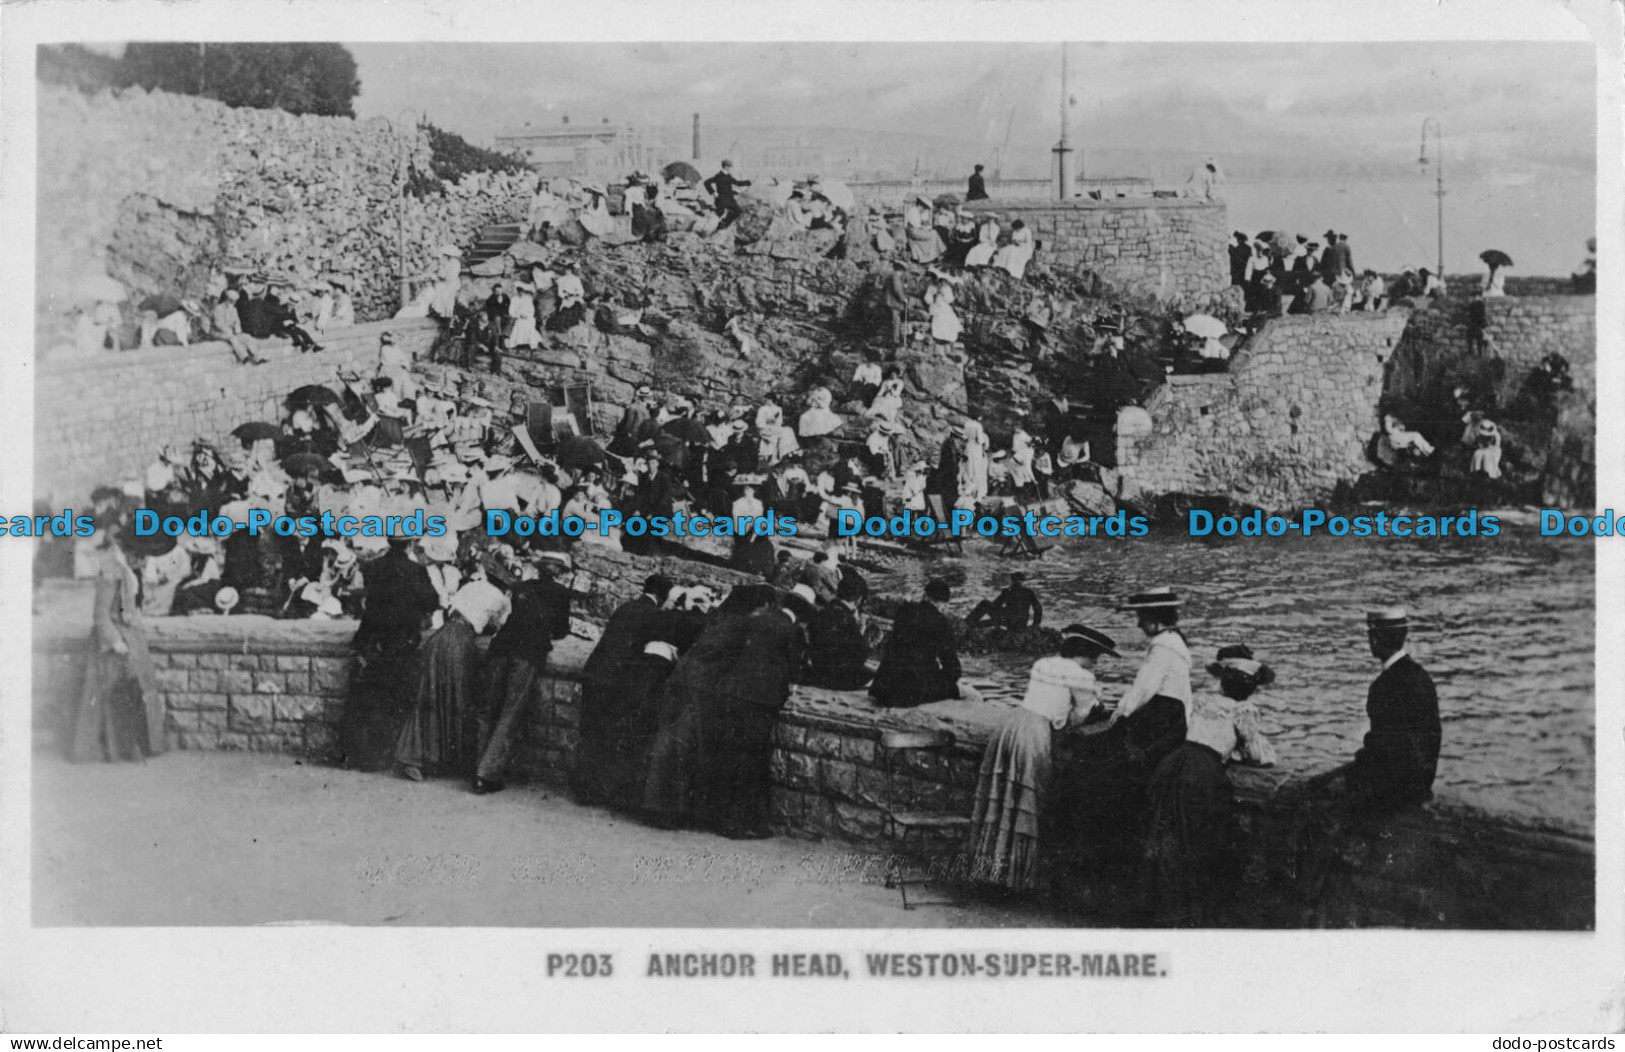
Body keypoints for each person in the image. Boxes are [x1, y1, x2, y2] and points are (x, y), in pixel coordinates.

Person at [968, 625, 1119, 891]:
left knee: (1003, 798)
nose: (1095, 663)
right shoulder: (1081, 675)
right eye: (1094, 656)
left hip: (1012, 725)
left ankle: (991, 868)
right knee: (1030, 798)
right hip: (1034, 733)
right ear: (1084, 653)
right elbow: (1081, 716)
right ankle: (1017, 876)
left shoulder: (1044, 664)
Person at [1142, 644, 1277, 927]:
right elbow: (1257, 754)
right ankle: (1193, 908)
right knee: (1199, 839)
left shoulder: (1203, 700)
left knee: (1167, 832)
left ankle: (1163, 904)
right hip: (1203, 772)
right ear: (1250, 689)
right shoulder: (1244, 710)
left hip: (1175, 762)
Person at [695, 584, 814, 838]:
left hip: (732, 693)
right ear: (803, 613)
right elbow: (795, 668)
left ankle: (718, 817)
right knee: (750, 761)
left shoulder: (756, 621)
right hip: (760, 701)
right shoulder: (792, 631)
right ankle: (738, 823)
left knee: (728, 755)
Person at [471, 551, 573, 794]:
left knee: (488, 709)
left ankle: (477, 767)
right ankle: (485, 773)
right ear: (558, 572)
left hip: (501, 647)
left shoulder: (521, 587)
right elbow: (560, 630)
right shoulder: (561, 593)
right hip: (528, 652)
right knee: (510, 712)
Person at [394, 575, 510, 782]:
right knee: (457, 697)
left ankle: (414, 758)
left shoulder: (470, 586)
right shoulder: (499, 598)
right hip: (460, 641)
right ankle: (447, 759)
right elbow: (497, 626)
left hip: (439, 637)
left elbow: (450, 609)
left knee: (428, 696)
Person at [67, 516, 162, 762]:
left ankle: (137, 745)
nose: (143, 560)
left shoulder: (128, 569)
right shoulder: (111, 570)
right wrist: (115, 641)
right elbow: (100, 614)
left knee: (137, 691)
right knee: (112, 694)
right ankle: (113, 748)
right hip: (114, 642)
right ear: (129, 549)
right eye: (140, 554)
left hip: (131, 637)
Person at [573, 574, 674, 805]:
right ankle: (595, 791)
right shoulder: (654, 615)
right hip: (615, 681)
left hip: (595, 673)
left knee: (588, 731)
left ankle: (581, 788)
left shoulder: (625, 607)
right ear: (663, 595)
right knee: (606, 735)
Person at [1345, 607, 1441, 814]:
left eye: (1371, 635)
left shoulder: (1383, 685)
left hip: (1396, 791)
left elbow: (1378, 751)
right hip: (1421, 784)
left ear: (1376, 639)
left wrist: (1342, 775)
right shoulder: (1421, 676)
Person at [869, 579, 980, 707]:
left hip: (882, 687)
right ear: (944, 604)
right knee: (972, 694)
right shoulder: (942, 623)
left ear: (924, 596)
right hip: (911, 691)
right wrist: (941, 681)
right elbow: (952, 668)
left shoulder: (904, 610)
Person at [801, 575, 871, 690]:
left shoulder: (822, 613)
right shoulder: (848, 619)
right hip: (838, 678)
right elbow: (860, 656)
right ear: (858, 598)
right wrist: (861, 630)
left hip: (818, 671)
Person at [966, 571, 1043, 633]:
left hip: (1007, 621)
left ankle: (966, 623)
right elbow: (1038, 608)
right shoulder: (1029, 592)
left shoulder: (1008, 591)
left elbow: (995, 605)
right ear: (1022, 582)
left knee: (985, 603)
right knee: (988, 622)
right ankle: (973, 625)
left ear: (1012, 581)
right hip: (1021, 623)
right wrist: (1035, 625)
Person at [703, 160, 752, 230]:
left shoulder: (729, 176)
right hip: (721, 199)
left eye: (730, 166)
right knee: (719, 214)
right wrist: (713, 193)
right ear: (725, 166)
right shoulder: (718, 176)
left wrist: (748, 182)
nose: (730, 168)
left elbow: (737, 183)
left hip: (729, 198)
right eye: (729, 166)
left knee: (738, 211)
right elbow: (706, 182)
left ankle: (724, 224)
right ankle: (713, 227)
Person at [882, 264, 910, 349]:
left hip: (888, 301)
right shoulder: (895, 276)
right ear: (900, 270)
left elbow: (884, 288)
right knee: (896, 322)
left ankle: (890, 341)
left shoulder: (889, 275)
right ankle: (895, 341)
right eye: (903, 272)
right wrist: (903, 299)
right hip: (893, 303)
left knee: (891, 322)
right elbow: (897, 290)